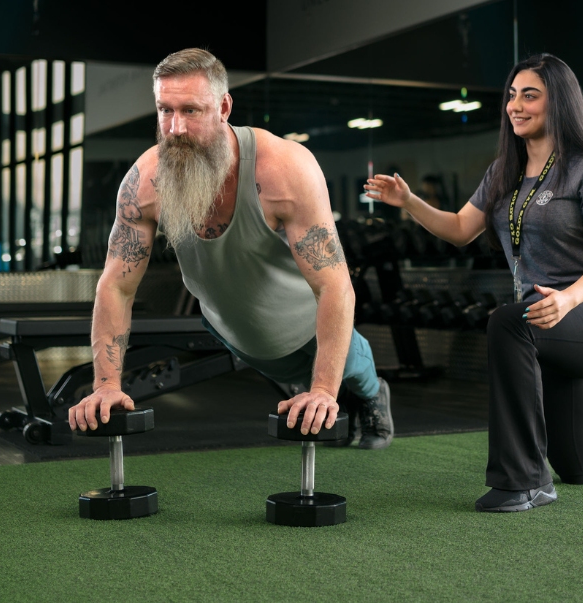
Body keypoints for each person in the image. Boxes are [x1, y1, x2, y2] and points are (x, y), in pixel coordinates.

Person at [365, 54, 583, 512]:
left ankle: (524, 481)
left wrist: (567, 300)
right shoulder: (503, 173)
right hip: (545, 326)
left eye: (530, 95)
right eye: (512, 95)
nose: (516, 105)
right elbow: (460, 229)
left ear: (559, 103)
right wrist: (408, 202)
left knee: (508, 322)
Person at [68, 48, 394, 449]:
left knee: (351, 375)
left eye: (191, 111)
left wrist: (324, 388)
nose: (175, 128)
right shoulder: (145, 182)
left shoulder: (285, 169)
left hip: (304, 324)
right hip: (231, 327)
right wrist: (105, 384)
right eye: (165, 110)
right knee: (299, 388)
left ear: (223, 107)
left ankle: (374, 394)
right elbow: (115, 286)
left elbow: (335, 286)